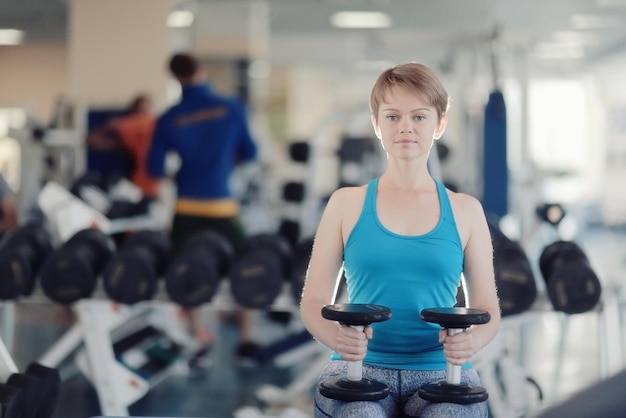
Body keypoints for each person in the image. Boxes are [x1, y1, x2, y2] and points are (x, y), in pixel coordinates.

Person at [300, 62, 500, 417]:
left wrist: (472, 341)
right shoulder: (346, 203)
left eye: (419, 117)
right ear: (377, 125)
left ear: (440, 125)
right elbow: (313, 299)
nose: (405, 126)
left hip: (441, 369)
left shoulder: (466, 210)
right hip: (359, 367)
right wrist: (337, 339)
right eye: (392, 117)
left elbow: (488, 307)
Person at [147, 52, 259, 361]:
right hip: (222, 207)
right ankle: (247, 339)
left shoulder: (168, 118)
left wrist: (183, 170)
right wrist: (221, 166)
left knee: (188, 274)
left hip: (186, 210)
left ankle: (200, 338)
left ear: (174, 76)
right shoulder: (232, 108)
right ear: (202, 70)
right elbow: (250, 152)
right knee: (248, 270)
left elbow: (155, 170)